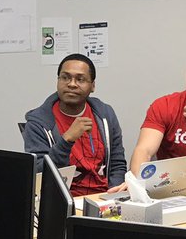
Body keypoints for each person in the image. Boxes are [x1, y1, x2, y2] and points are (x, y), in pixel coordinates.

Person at [22, 53, 127, 195]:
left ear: (92, 86)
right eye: (65, 78)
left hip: (105, 197)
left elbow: (117, 164)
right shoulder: (38, 123)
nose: (71, 84)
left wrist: (115, 195)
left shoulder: (105, 114)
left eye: (80, 79)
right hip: (63, 200)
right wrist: (66, 140)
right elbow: (39, 174)